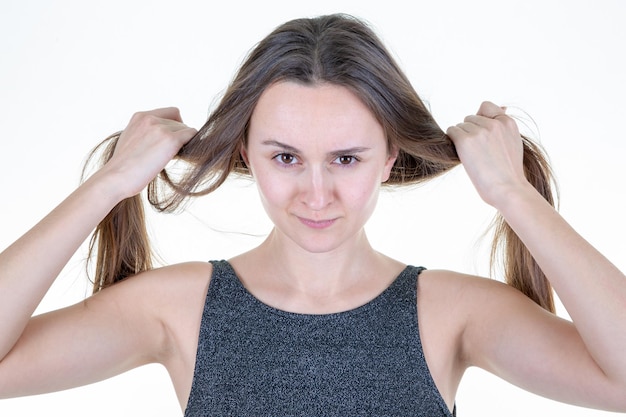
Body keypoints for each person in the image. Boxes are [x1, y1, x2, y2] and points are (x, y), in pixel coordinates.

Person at [0, 13, 624, 416]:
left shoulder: (452, 312)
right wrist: (109, 184)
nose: (316, 194)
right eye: (286, 158)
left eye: (347, 158)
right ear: (247, 151)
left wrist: (514, 196)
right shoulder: (180, 308)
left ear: (389, 156)